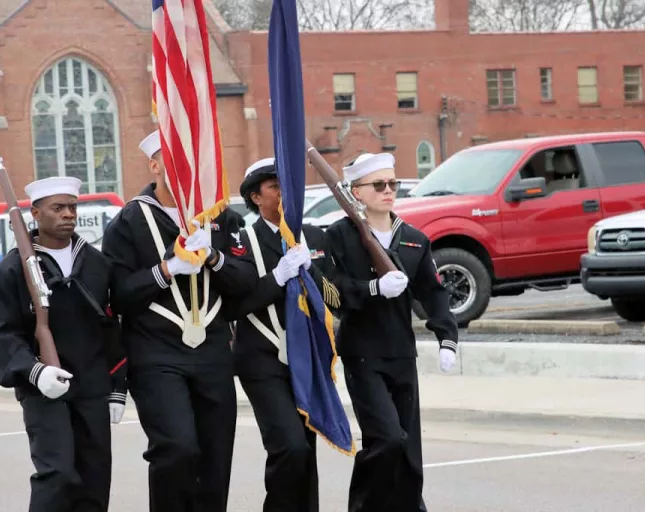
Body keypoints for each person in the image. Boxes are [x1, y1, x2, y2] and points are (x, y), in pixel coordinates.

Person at [101, 130, 257, 512]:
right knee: (177, 447)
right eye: (174, 161)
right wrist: (166, 270)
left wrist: (214, 259)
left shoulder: (219, 216)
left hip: (213, 351)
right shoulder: (129, 221)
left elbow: (246, 281)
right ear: (154, 166)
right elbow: (118, 295)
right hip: (156, 353)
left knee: (215, 456)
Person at [324, 152, 459, 512]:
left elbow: (433, 291)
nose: (388, 190)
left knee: (409, 450)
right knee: (386, 439)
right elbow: (332, 289)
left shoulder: (413, 239)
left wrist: (447, 337)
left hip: (401, 353)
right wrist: (372, 288)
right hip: (362, 353)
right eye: (379, 184)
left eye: (393, 184)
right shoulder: (339, 236)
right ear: (356, 192)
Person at [0, 176, 127, 512]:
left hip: (91, 386)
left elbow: (111, 328)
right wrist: (35, 371)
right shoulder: (12, 269)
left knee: (94, 480)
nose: (68, 214)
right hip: (42, 388)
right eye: (58, 208)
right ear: (35, 214)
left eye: (72, 208)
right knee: (57, 475)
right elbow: (4, 333)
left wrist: (118, 387)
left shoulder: (96, 263)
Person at [223, 158, 341, 512]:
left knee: (307, 448)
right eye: (275, 187)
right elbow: (233, 305)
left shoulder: (313, 237)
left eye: (287, 185)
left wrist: (311, 270)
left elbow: (336, 297)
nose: (284, 194)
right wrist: (277, 277)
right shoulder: (243, 242)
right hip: (262, 359)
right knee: (289, 446)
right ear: (256, 197)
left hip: (307, 357)